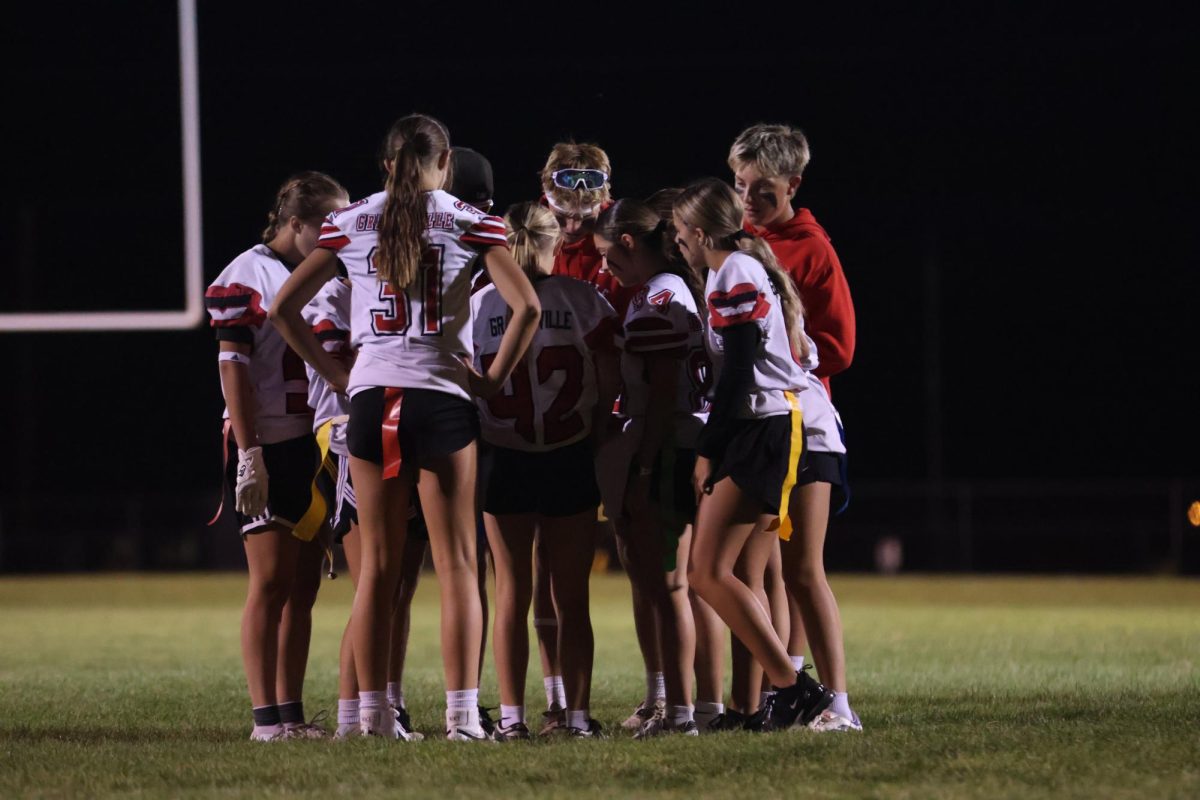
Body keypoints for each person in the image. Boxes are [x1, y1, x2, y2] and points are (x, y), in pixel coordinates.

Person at [269, 114, 540, 741]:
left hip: (370, 398)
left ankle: (371, 717)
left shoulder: (347, 222)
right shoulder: (470, 220)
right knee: (456, 567)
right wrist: (493, 379)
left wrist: (338, 372)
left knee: (378, 571)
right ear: (443, 161)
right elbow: (525, 305)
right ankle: (462, 717)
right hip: (441, 398)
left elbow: (283, 308)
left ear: (386, 164)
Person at [673, 178, 834, 732]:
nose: (677, 244)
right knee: (735, 572)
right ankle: (774, 694)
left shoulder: (734, 271)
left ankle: (794, 687)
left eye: (679, 233)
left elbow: (740, 370)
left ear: (698, 232)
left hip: (761, 426)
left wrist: (707, 450)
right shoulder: (736, 268)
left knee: (706, 571)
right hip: (768, 423)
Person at [204, 171, 348, 741]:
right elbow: (232, 368)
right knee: (269, 582)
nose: (336, 234)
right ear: (295, 224)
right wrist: (249, 452)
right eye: (326, 224)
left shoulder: (327, 272)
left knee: (305, 585)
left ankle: (289, 710)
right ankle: (266, 719)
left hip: (312, 444)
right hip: (264, 438)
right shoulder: (248, 273)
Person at [730, 124, 859, 731]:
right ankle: (776, 695)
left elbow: (840, 346)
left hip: (800, 422)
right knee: (758, 570)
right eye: (740, 184)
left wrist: (784, 352)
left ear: (793, 184)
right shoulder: (736, 240)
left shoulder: (811, 248)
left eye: (761, 188)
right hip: (753, 423)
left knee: (801, 568)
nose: (748, 198)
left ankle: (833, 700)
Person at [473, 201, 619, 739]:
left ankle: (512, 719)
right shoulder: (586, 300)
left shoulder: (481, 304)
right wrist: (598, 431)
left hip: (504, 456)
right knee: (571, 597)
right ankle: (576, 718)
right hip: (568, 454)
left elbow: (467, 383)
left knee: (511, 592)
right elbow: (609, 381)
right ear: (555, 243)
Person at [593, 198, 712, 737]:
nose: (603, 269)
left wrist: (643, 466)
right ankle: (678, 705)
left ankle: (682, 711)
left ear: (628, 243)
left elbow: (664, 394)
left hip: (667, 447)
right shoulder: (662, 292)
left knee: (667, 587)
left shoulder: (660, 297)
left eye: (607, 256)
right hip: (672, 444)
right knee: (661, 585)